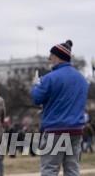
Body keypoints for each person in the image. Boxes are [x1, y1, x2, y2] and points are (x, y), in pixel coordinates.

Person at [31, 40, 89, 176]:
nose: (49, 59)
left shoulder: (49, 78)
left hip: (55, 129)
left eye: (51, 56)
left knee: (49, 169)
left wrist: (35, 85)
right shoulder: (82, 79)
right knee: (72, 169)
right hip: (76, 130)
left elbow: (36, 99)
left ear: (57, 57)